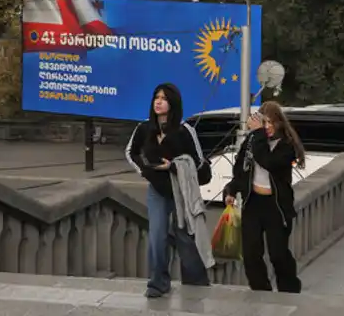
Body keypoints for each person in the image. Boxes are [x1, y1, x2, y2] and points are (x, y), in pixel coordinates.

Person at [125, 83, 211, 298]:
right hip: (157, 191)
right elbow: (130, 152)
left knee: (185, 236)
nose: (158, 101)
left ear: (172, 103)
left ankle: (195, 283)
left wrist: (173, 166)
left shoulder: (185, 131)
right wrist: (145, 172)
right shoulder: (144, 129)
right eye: (156, 97)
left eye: (164, 98)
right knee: (156, 236)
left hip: (181, 190)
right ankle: (158, 283)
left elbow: (199, 163)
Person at [224, 101, 306, 293]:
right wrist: (231, 189)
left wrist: (258, 133)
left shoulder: (286, 146)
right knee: (251, 254)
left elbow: (268, 161)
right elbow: (241, 170)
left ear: (279, 123)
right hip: (253, 203)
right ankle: (261, 290)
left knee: (278, 254)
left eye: (271, 122)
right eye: (264, 122)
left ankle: (289, 289)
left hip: (276, 206)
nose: (267, 127)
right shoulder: (253, 142)